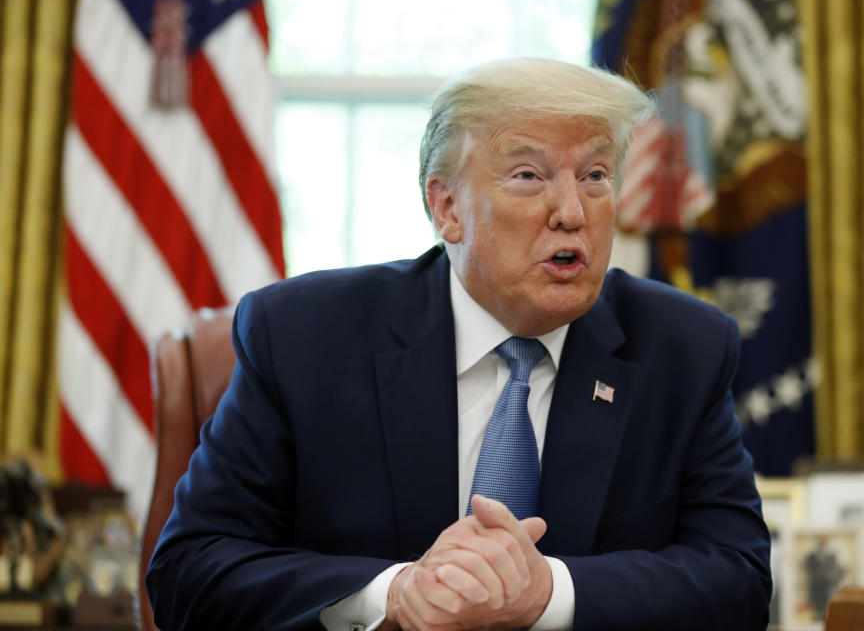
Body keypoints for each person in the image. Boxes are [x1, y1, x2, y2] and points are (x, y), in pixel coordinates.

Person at [146, 58, 771, 630]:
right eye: (529, 175)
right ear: (446, 207)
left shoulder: (682, 347)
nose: (572, 211)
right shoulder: (301, 337)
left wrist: (547, 592)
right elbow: (190, 571)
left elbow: (739, 580)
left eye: (596, 175)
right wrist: (394, 593)